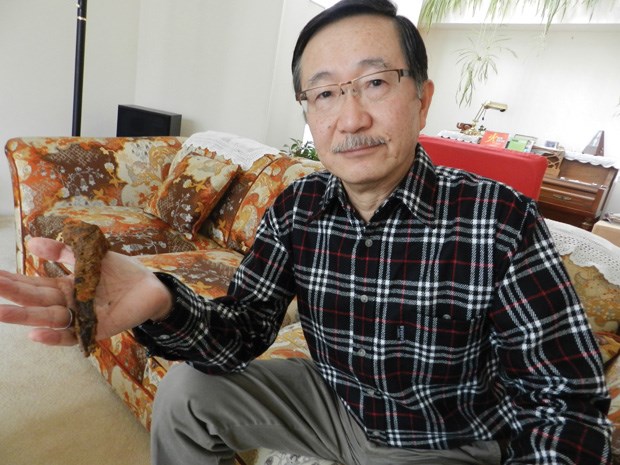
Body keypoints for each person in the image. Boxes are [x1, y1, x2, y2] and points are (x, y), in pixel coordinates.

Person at [0, 0, 613, 463]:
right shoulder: (302, 205)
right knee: (187, 394)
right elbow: (240, 332)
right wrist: (161, 298)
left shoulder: (499, 219)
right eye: (323, 93)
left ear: (422, 99)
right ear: (308, 111)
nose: (351, 117)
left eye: (375, 82)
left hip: (443, 438)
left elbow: (566, 403)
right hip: (333, 401)